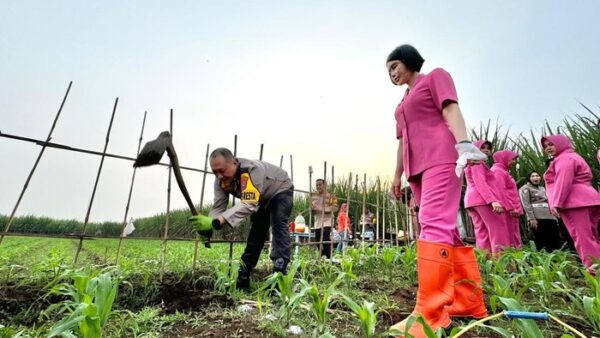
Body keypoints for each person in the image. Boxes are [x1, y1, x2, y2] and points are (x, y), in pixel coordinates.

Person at [386, 44, 488, 337]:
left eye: (394, 65)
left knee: (432, 225)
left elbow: (450, 107)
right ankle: (466, 301)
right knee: (445, 230)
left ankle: (430, 314)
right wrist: (397, 174)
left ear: (408, 61)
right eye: (388, 71)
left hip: (442, 157)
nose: (392, 73)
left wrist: (464, 143)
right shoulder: (401, 104)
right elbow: (402, 141)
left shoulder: (434, 78)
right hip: (417, 169)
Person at [188, 148, 294, 289]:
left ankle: (279, 274)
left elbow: (249, 203)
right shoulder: (220, 181)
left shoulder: (252, 171)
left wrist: (217, 221)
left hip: (280, 189)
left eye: (222, 170)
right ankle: (243, 274)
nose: (219, 176)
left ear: (234, 163)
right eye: (215, 172)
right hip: (262, 198)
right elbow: (219, 207)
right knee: (257, 230)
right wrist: (209, 224)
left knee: (278, 224)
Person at [542, 134, 600, 274]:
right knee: (591, 236)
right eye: (545, 146)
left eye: (551, 144)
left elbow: (563, 182)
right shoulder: (573, 156)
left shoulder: (564, 159)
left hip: (574, 203)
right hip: (589, 199)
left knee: (581, 237)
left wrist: (556, 203)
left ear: (561, 143)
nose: (548, 148)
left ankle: (593, 271)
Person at [464, 140, 508, 254]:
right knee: (497, 228)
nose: (486, 150)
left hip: (472, 201)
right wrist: (493, 200)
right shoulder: (478, 162)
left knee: (481, 231)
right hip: (483, 200)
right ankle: (503, 263)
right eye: (482, 147)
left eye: (488, 148)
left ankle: (486, 262)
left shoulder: (471, 162)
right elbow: (480, 183)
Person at [519, 171, 565, 251]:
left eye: (537, 176)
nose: (535, 178)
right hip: (538, 217)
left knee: (554, 239)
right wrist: (531, 218)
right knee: (541, 239)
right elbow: (526, 204)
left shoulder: (543, 188)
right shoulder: (525, 188)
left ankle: (556, 259)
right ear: (529, 178)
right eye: (533, 176)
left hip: (550, 216)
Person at [491, 150, 524, 249]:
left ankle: (516, 259)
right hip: (507, 209)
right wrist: (511, 208)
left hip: (510, 208)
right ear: (503, 158)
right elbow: (500, 191)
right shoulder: (498, 171)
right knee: (509, 235)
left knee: (513, 234)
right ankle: (511, 259)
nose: (514, 162)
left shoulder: (503, 171)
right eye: (512, 159)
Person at [311, 178, 338, 258]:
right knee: (317, 239)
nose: (318, 186)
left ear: (324, 185)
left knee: (325, 237)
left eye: (320, 184)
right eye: (317, 185)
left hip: (327, 220)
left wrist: (323, 209)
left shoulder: (331, 196)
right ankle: (323, 255)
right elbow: (313, 210)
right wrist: (313, 210)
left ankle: (329, 257)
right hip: (318, 221)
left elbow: (335, 207)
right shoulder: (314, 197)